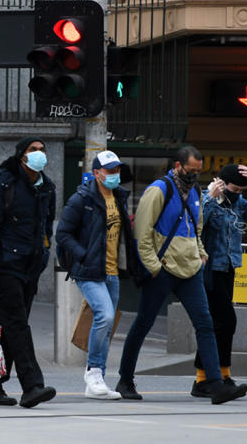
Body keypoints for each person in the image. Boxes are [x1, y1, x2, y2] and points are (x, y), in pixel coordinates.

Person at [116, 146, 247, 405]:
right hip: (163, 269)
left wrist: (200, 254)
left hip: (190, 269)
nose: (195, 175)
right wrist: (154, 267)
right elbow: (142, 234)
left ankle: (214, 384)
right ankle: (125, 379)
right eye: (191, 170)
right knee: (143, 323)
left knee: (205, 324)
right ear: (177, 165)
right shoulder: (159, 190)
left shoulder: (196, 192)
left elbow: (196, 229)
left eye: (199, 171)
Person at [0, 137, 57, 408]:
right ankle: (32, 385)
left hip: (29, 268)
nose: (39, 154)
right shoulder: (3, 184)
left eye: (42, 150)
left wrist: (43, 254)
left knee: (10, 328)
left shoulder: (47, 188)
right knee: (18, 323)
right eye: (33, 150)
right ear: (22, 155)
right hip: (4, 266)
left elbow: (46, 229)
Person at [55, 150, 141, 400]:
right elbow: (63, 234)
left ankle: (98, 379)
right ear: (96, 173)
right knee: (103, 316)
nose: (115, 174)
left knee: (107, 324)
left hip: (112, 271)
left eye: (117, 170)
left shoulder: (119, 197)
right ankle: (93, 372)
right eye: (110, 170)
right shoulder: (82, 199)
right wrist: (83, 255)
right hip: (89, 270)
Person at [192, 164, 247, 394]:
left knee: (218, 324)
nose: (236, 193)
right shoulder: (208, 200)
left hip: (229, 268)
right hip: (210, 270)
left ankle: (209, 378)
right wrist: (210, 198)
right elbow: (195, 223)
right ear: (222, 184)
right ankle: (213, 377)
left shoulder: (240, 205)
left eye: (240, 190)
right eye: (233, 188)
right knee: (226, 321)